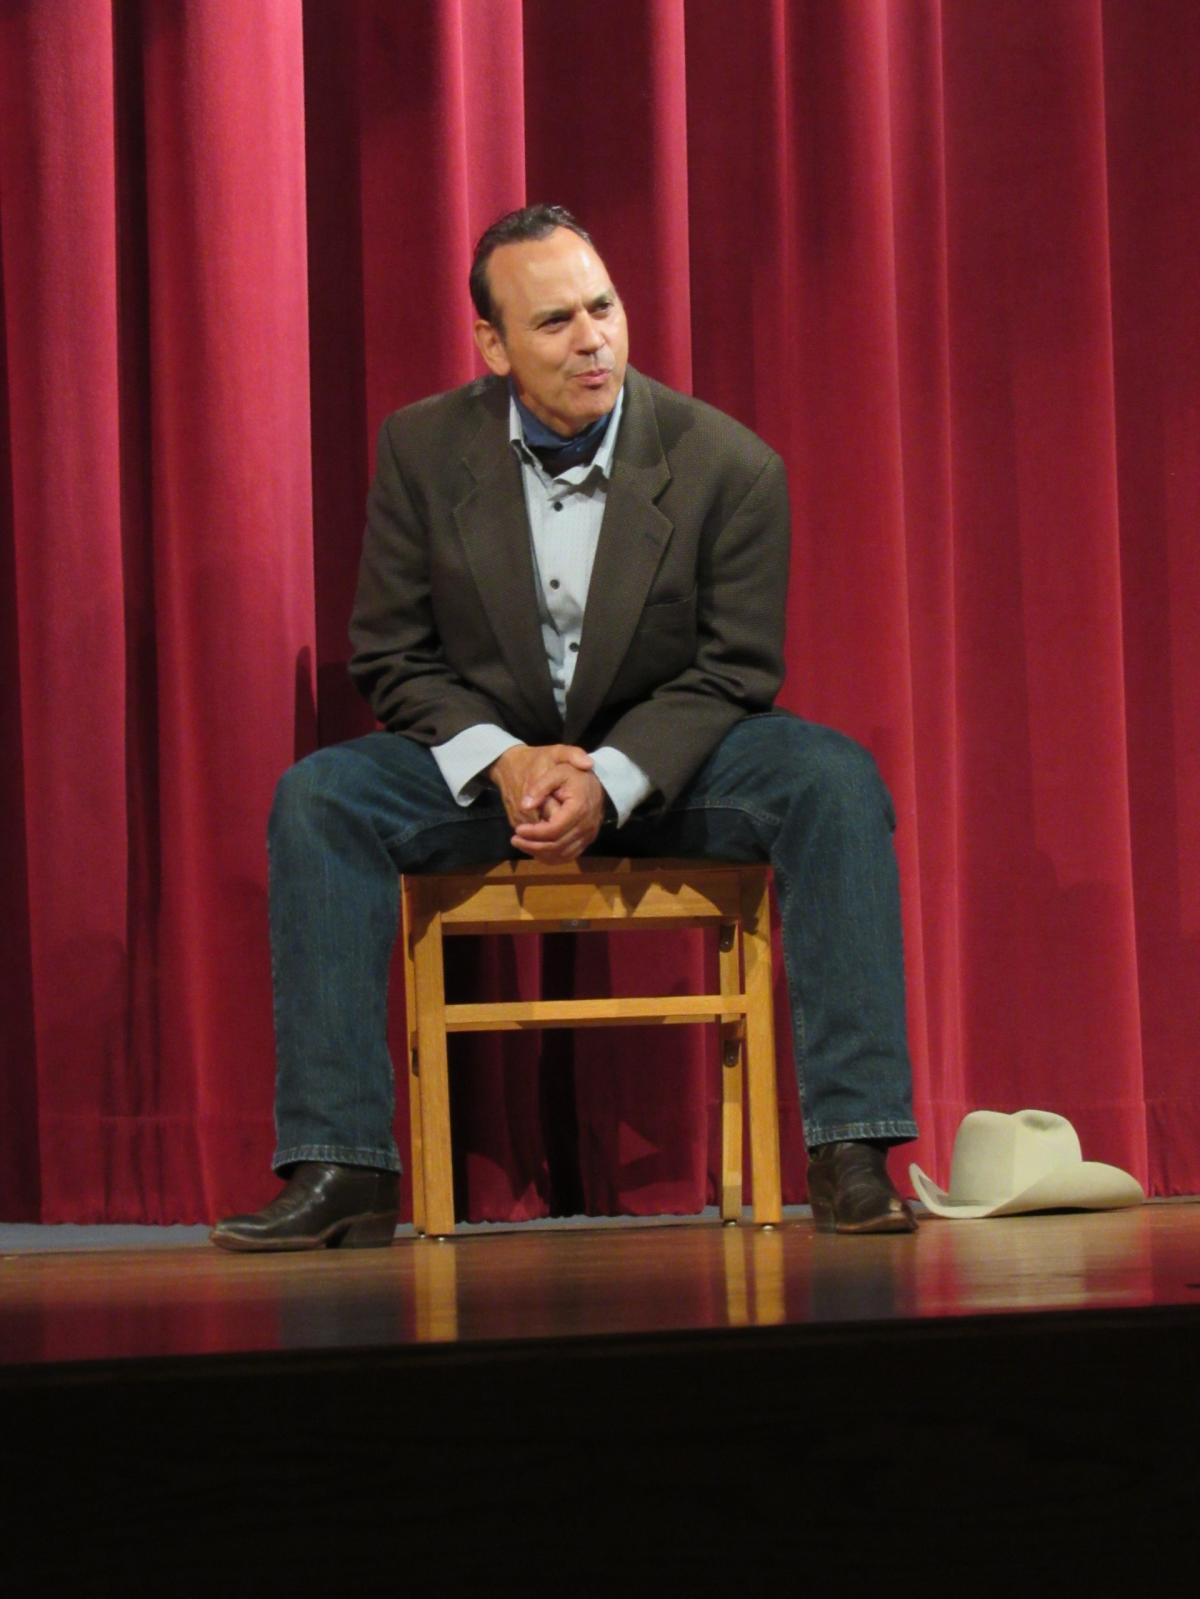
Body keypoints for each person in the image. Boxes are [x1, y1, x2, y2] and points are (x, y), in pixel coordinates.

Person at [211, 204, 918, 1251]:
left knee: (833, 780)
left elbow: (734, 669)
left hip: (670, 770)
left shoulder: (732, 467)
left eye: (604, 309)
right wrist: (507, 762)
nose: (593, 340)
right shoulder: (421, 447)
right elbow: (392, 655)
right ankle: (342, 1168)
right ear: (492, 345)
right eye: (555, 322)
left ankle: (854, 1149)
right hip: (496, 767)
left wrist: (613, 774)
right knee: (321, 797)